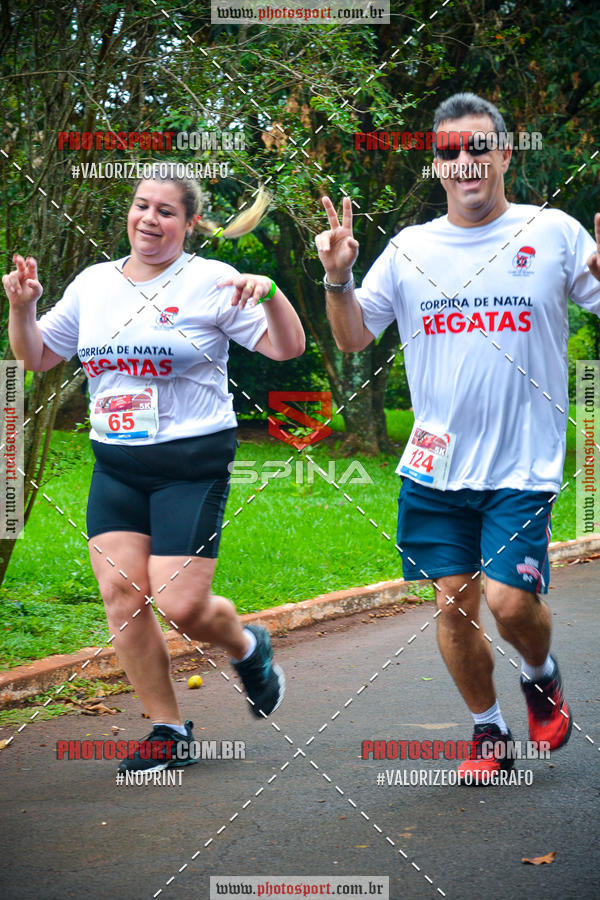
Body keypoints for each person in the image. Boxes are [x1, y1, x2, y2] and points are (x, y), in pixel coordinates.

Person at [316, 92, 600, 782]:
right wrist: (337, 276)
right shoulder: (410, 249)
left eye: (479, 147)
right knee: (453, 602)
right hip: (434, 466)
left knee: (507, 602)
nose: (465, 161)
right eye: (449, 151)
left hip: (521, 464)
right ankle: (489, 734)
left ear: (504, 153)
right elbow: (354, 336)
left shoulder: (553, 232)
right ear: (436, 164)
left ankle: (540, 672)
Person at [4, 164, 305, 773]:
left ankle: (247, 645)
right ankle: (168, 732)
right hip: (116, 462)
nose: (150, 219)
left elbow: (286, 348)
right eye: (142, 206)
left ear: (190, 224)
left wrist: (271, 293)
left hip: (191, 462)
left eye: (166, 211)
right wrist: (24, 308)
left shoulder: (213, 281)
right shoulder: (94, 284)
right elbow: (36, 356)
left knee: (180, 604)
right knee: (121, 595)